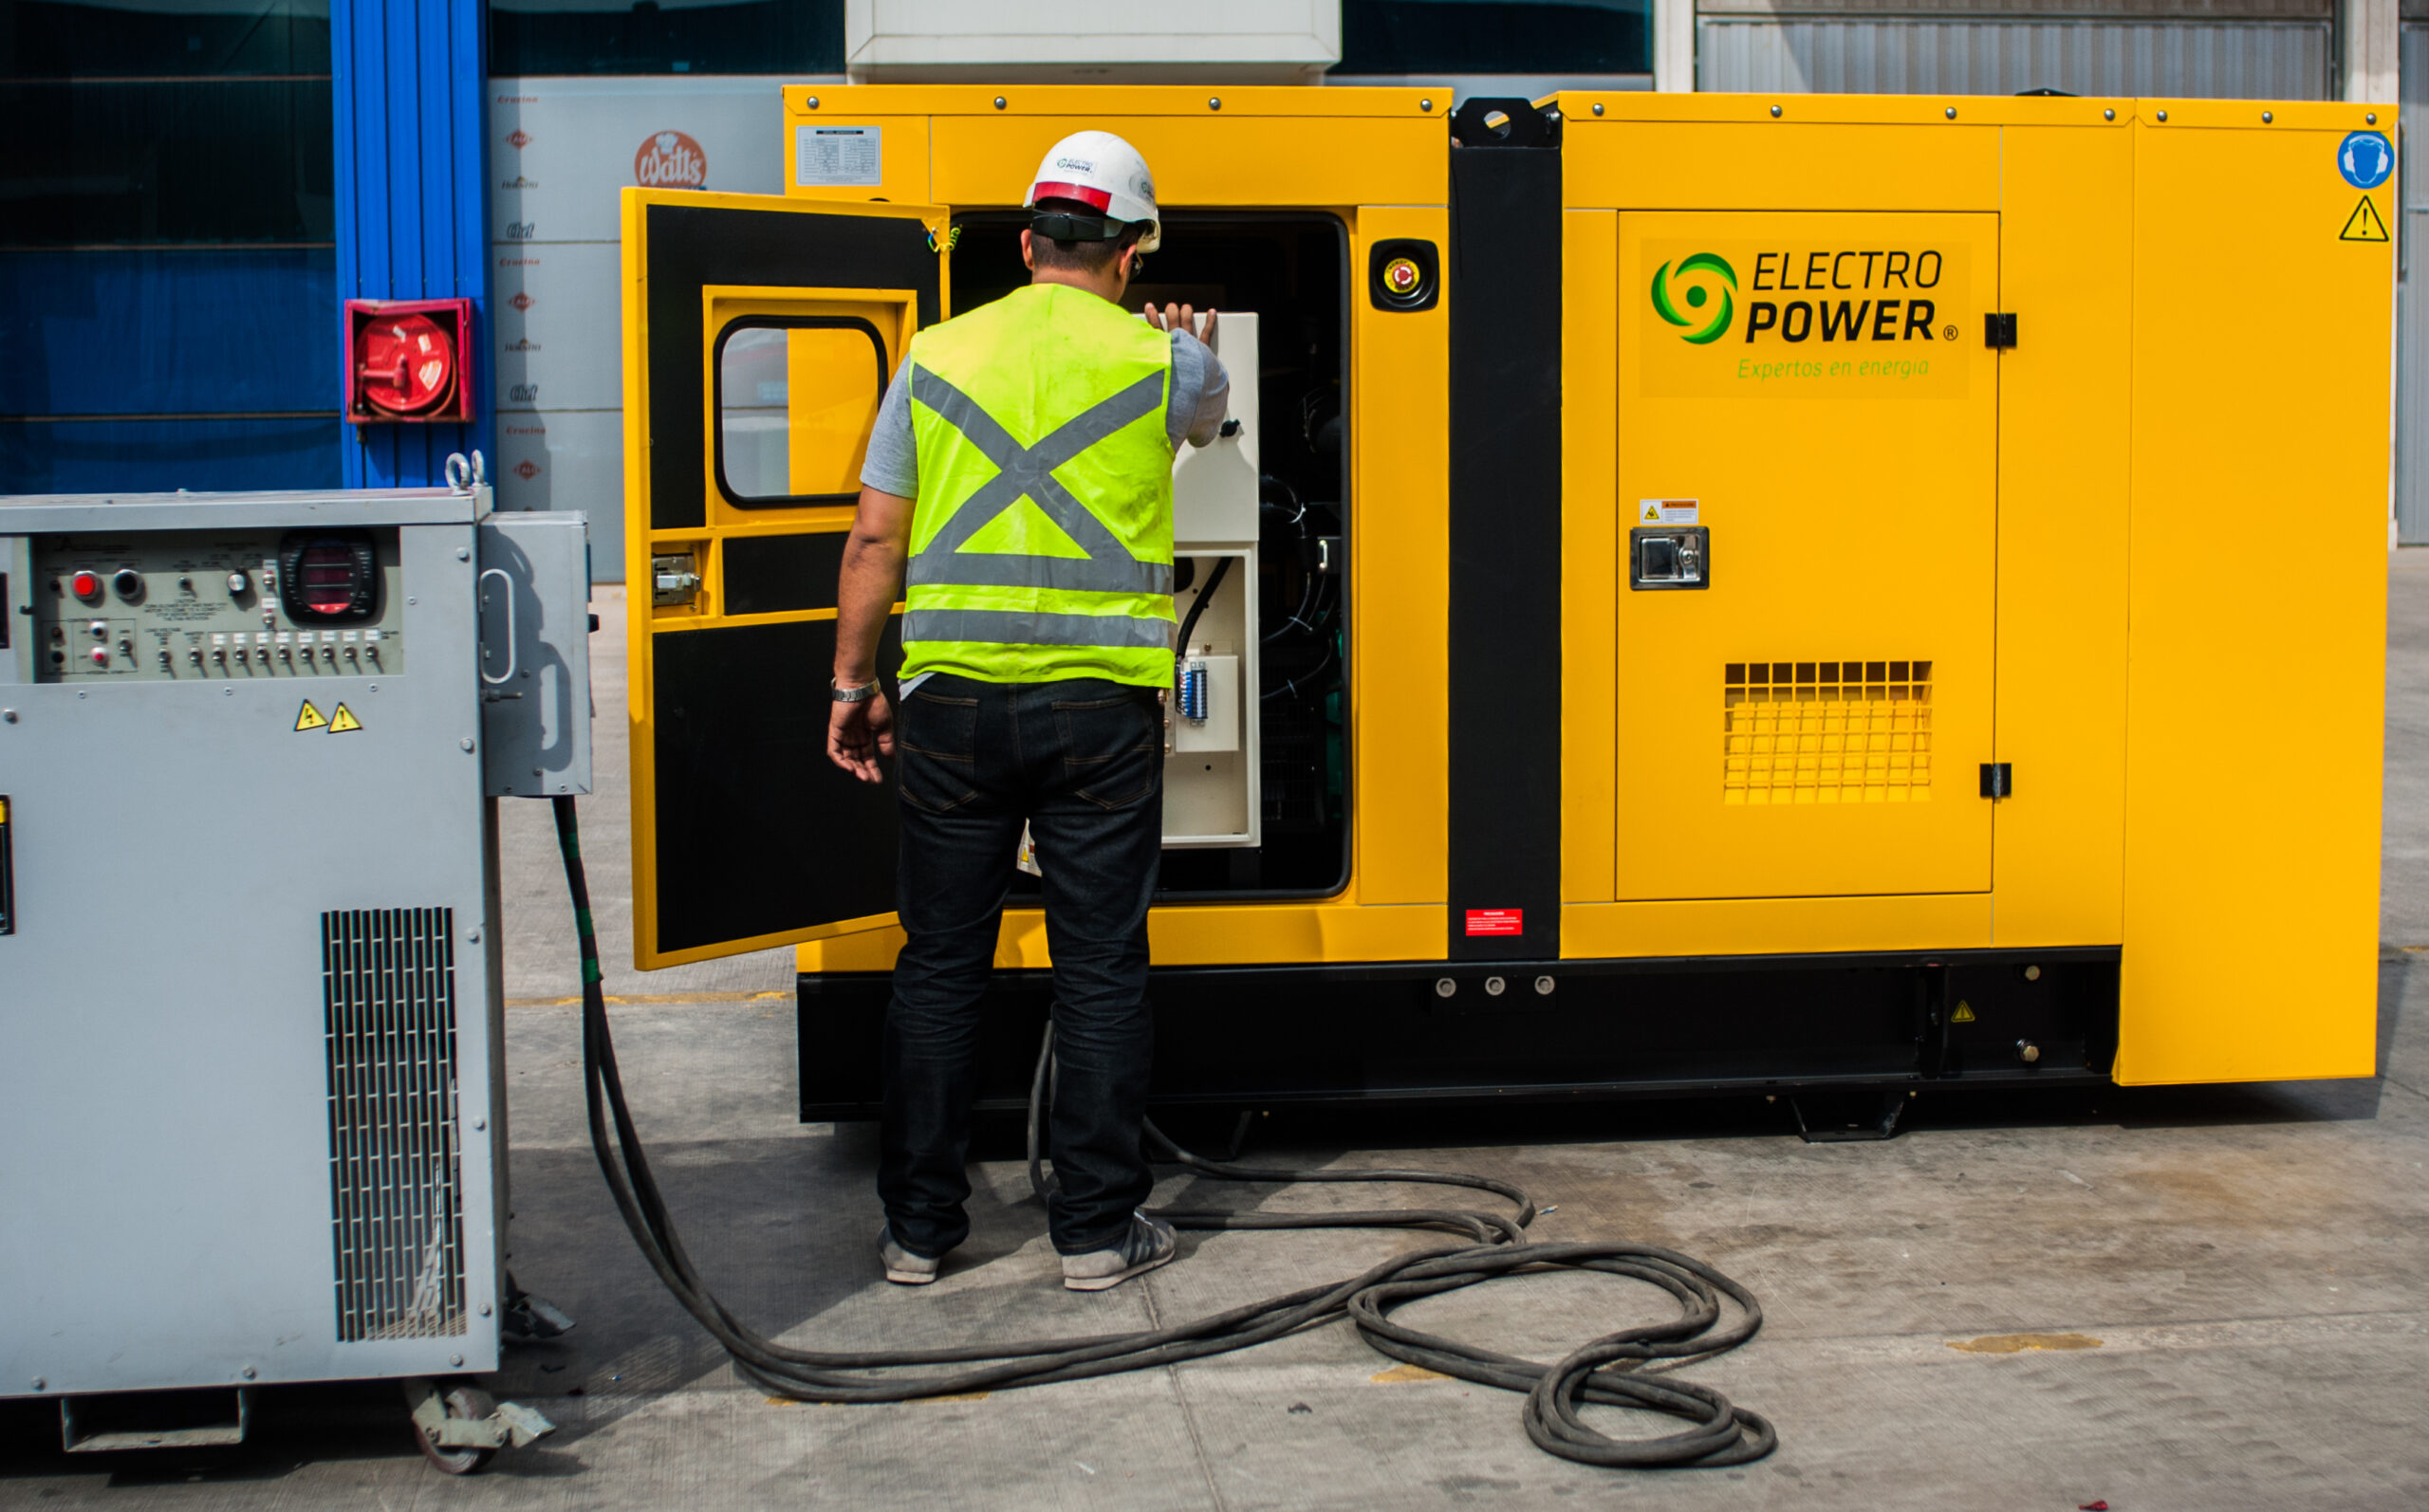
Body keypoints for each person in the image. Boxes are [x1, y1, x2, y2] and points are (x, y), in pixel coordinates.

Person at [825, 131, 1231, 1293]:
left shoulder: (934, 355)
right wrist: (1187, 346)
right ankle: (1095, 1234)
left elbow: (874, 539)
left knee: (939, 966)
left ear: (1023, 244)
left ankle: (917, 1232)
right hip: (1098, 713)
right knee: (1098, 968)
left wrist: (853, 684)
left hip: (951, 706)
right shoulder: (1166, 363)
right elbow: (1211, 424)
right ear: (1132, 251)